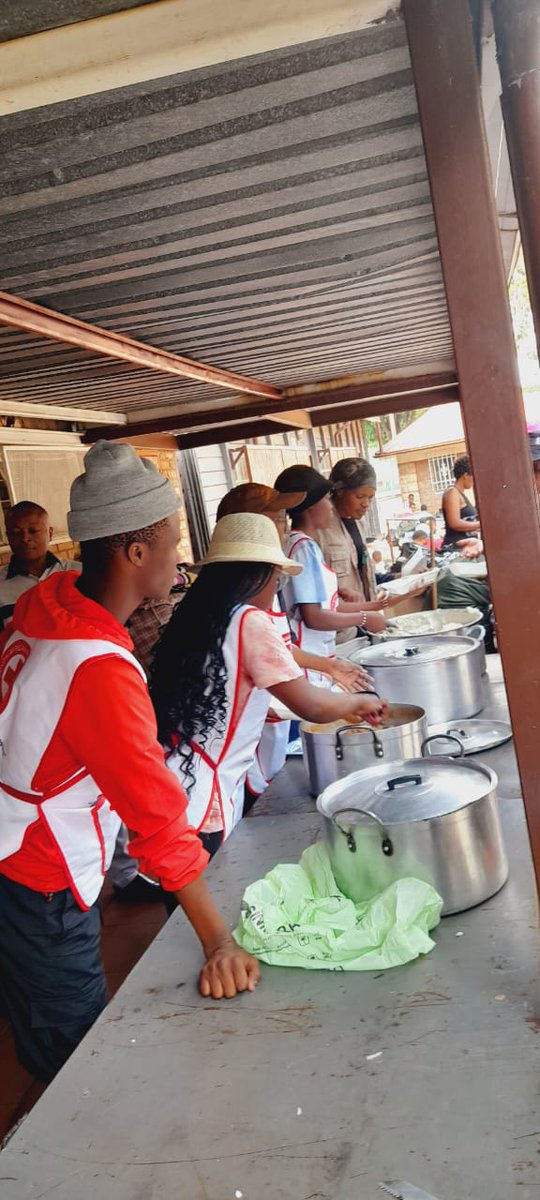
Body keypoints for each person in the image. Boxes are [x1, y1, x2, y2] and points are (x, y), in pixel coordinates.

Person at [0, 442, 260, 1084]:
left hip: (12, 852)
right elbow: (157, 822)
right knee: (75, 1062)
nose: (180, 554)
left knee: (37, 1022)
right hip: (42, 874)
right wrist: (218, 941)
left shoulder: (47, 604)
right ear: (136, 553)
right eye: (172, 541)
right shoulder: (99, 669)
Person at [150, 512, 386, 852]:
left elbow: (224, 697)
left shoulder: (196, 617)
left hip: (173, 791)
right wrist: (359, 703)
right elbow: (312, 705)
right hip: (205, 808)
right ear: (258, 576)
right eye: (277, 581)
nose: (276, 590)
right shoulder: (250, 622)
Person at [215, 482, 372, 806]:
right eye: (275, 518)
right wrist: (360, 705)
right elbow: (308, 705)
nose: (284, 526)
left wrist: (329, 666)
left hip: (247, 746)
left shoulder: (245, 601)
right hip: (234, 760)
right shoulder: (245, 614)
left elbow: (277, 650)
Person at [273, 464, 388, 671]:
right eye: (326, 499)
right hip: (313, 655)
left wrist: (375, 607)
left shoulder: (299, 544)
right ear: (310, 506)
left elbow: (326, 606)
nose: (331, 506)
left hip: (320, 654)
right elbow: (313, 616)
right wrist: (364, 617)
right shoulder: (305, 548)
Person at [0, 501, 80, 628]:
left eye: (33, 530)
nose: (25, 538)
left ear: (50, 533)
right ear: (8, 537)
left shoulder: (79, 573)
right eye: (16, 532)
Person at [441, 456, 481, 551]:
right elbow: (454, 523)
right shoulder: (453, 492)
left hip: (467, 547)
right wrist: (480, 525)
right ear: (466, 475)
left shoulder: (461, 494)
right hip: (456, 548)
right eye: (473, 475)